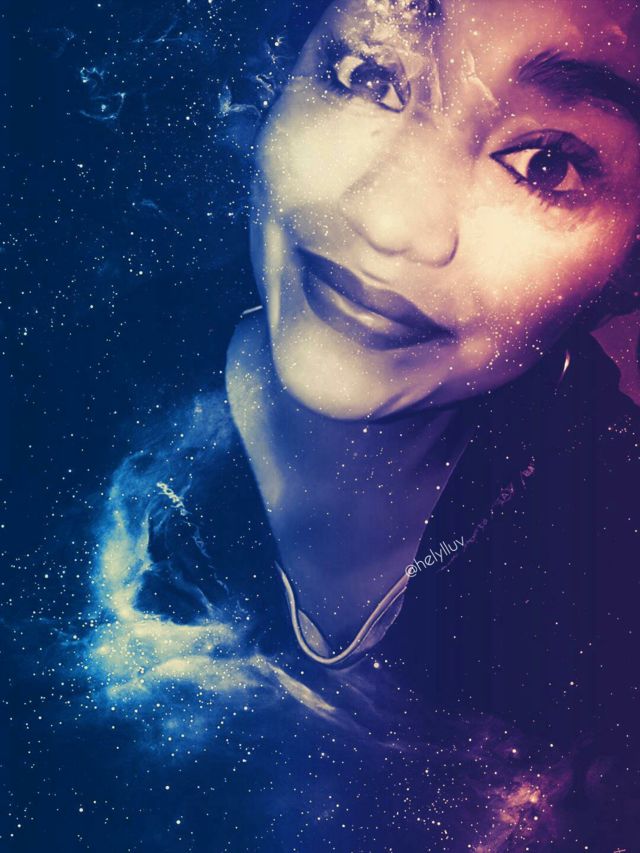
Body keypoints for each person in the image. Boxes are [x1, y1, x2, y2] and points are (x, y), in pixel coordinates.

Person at [93, 0, 640, 847]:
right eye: (369, 75)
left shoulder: (616, 556)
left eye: (546, 164)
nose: (390, 223)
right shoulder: (56, 384)